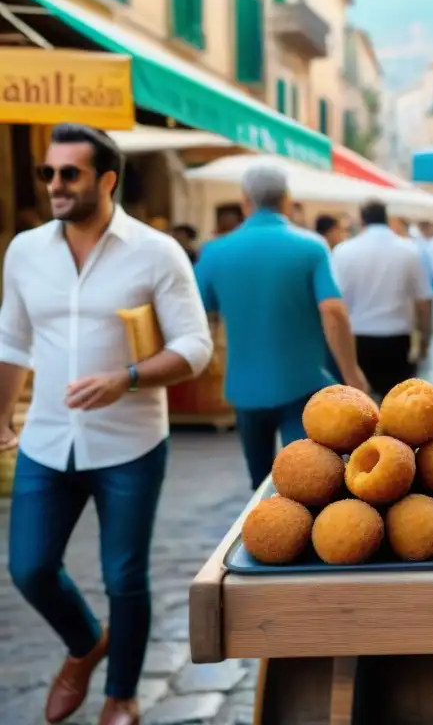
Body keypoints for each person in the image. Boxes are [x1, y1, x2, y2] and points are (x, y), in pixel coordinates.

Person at [0, 123, 213, 725]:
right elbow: (11, 342)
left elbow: (195, 346)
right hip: (45, 438)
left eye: (71, 173)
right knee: (30, 568)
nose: (56, 185)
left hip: (132, 443)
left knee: (125, 575)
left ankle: (122, 695)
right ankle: (85, 644)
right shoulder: (25, 250)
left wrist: (128, 377)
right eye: (49, 173)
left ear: (107, 179)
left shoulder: (156, 251)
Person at [196, 164, 367, 489]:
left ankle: (264, 531)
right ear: (287, 200)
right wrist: (351, 373)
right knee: (307, 482)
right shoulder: (311, 247)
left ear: (245, 201)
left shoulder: (215, 252)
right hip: (302, 384)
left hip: (244, 388)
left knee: (258, 483)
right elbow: (333, 310)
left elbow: (198, 311)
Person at [331, 199, 433, 400]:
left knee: (359, 409)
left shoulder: (343, 251)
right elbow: (424, 301)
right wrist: (424, 340)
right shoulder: (409, 250)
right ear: (386, 219)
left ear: (362, 220)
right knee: (397, 410)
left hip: (356, 340)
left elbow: (335, 303)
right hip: (397, 340)